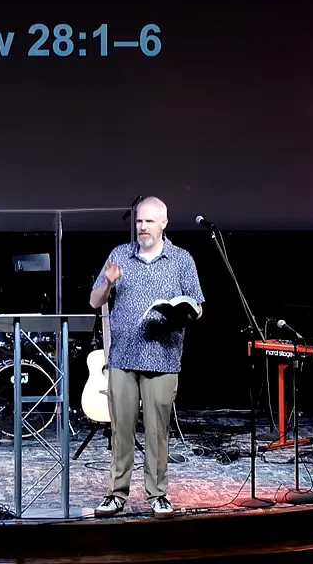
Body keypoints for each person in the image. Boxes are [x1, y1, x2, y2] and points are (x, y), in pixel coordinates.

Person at [88, 196, 203, 519]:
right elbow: (94, 301)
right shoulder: (119, 255)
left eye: (149, 221)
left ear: (164, 223)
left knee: (156, 432)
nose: (143, 227)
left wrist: (181, 314)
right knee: (120, 432)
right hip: (123, 357)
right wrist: (108, 283)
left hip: (163, 358)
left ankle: (158, 495)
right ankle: (116, 494)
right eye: (139, 221)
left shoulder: (181, 260)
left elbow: (198, 306)